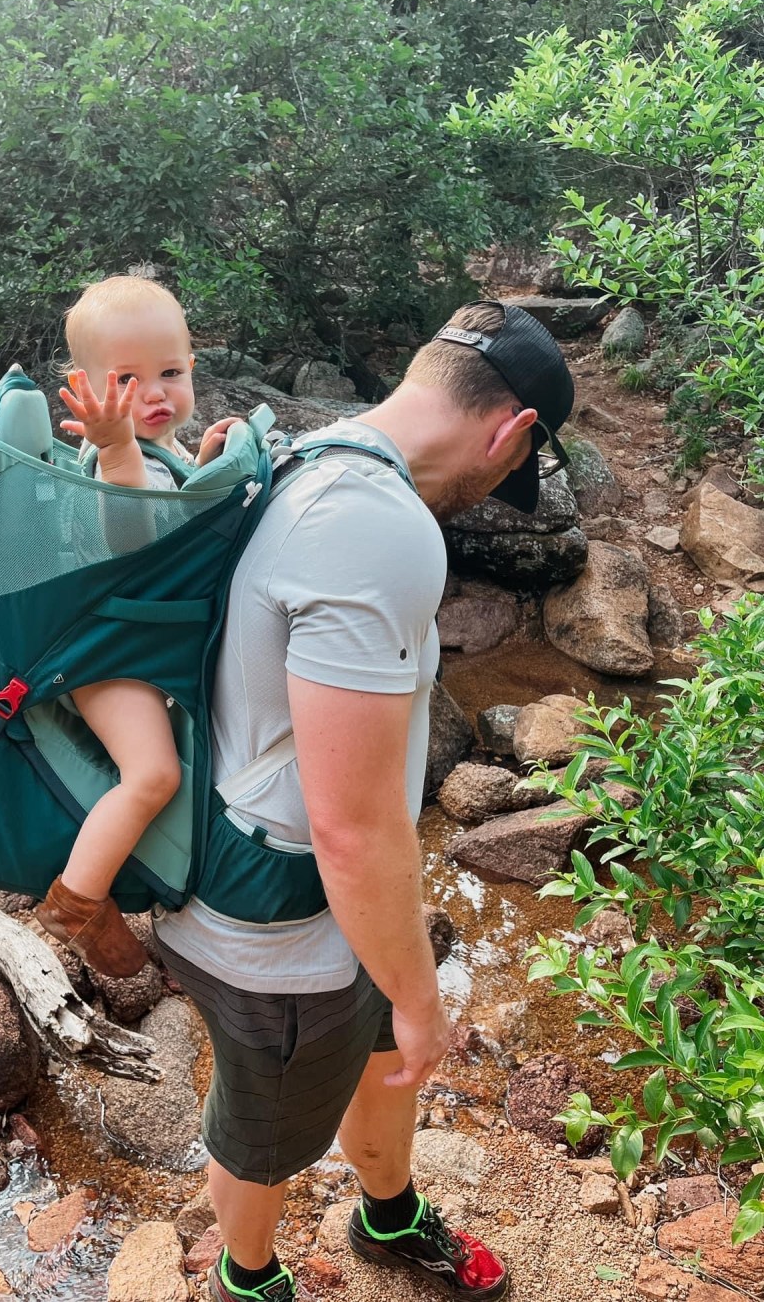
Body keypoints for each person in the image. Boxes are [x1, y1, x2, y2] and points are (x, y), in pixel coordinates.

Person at [153, 299, 574, 1302]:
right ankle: (248, 1278)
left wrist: (396, 962)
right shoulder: (376, 526)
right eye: (512, 471)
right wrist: (423, 996)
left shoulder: (306, 454)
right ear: (513, 432)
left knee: (382, 1057)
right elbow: (350, 826)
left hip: (321, 889)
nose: (492, 493)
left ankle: (388, 1216)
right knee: (261, 1134)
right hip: (277, 920)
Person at [34, 275, 239, 978]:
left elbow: (169, 513)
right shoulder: (114, 457)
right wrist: (117, 446)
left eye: (171, 373)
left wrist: (201, 467)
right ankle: (75, 901)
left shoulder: (160, 450)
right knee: (153, 774)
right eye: (127, 380)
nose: (155, 393)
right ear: (85, 390)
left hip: (132, 640)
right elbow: (130, 531)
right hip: (102, 655)